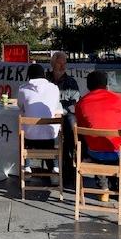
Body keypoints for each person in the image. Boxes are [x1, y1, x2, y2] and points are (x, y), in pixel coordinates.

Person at [75, 70, 121, 206]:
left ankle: (104, 189)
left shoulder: (81, 103)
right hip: (118, 152)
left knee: (93, 143)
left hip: (94, 153)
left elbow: (82, 129)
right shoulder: (119, 99)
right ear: (106, 84)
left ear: (88, 85)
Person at [17, 63, 61, 174]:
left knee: (24, 129)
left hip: (30, 137)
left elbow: (20, 106)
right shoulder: (54, 88)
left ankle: (26, 166)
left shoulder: (23, 89)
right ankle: (55, 167)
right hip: (51, 137)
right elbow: (55, 107)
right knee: (52, 131)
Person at [46, 51, 80, 179]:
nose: (63, 66)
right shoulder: (45, 80)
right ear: (53, 64)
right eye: (60, 63)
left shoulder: (71, 82)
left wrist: (62, 110)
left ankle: (67, 165)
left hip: (64, 117)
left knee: (71, 122)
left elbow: (75, 103)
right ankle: (53, 167)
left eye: (64, 63)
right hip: (48, 117)